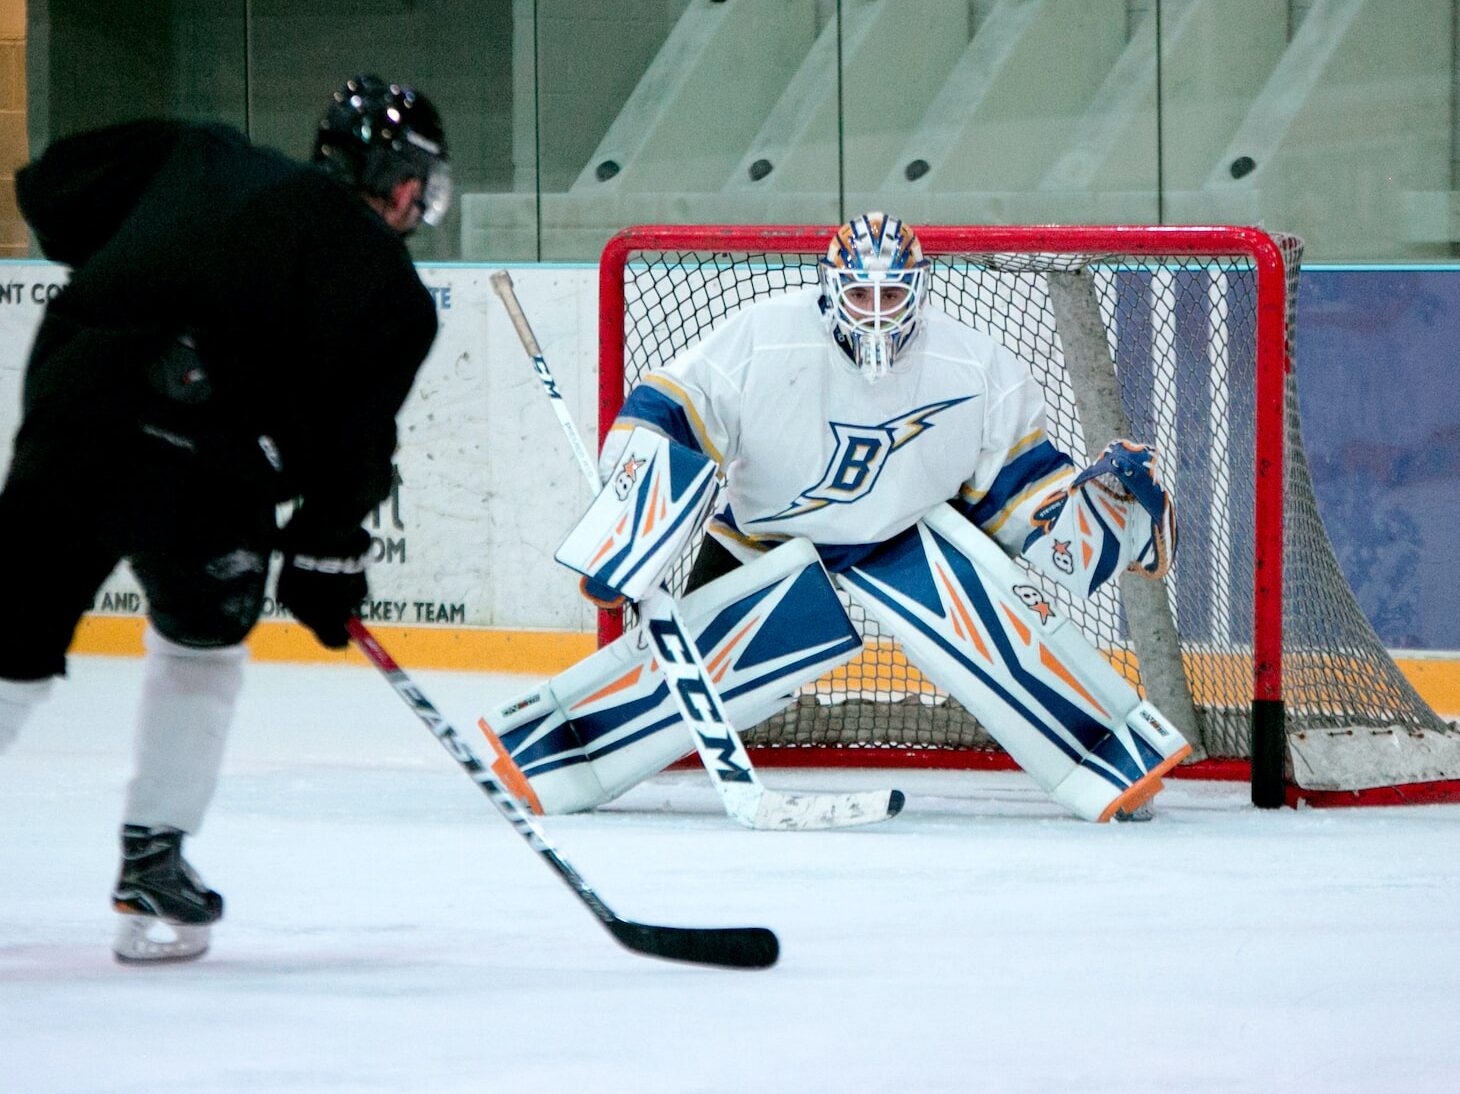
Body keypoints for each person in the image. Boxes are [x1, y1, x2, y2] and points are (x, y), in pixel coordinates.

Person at [496, 211, 1184, 825]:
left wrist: (1104, 519)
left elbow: (1017, 491)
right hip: (767, 533)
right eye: (861, 294)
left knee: (1000, 631)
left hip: (904, 537)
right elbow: (672, 409)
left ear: (919, 291)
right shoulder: (764, 338)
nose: (877, 313)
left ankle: (1104, 751)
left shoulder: (975, 364)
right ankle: (559, 747)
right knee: (691, 671)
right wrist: (629, 527)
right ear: (831, 289)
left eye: (892, 295)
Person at [0, 75, 449, 962]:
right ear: (402, 182)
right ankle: (154, 865)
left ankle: (154, 864)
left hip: (80, 411)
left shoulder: (201, 154)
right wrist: (327, 559)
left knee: (5, 640)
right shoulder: (392, 292)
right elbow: (355, 447)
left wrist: (144, 259)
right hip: (208, 470)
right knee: (201, 646)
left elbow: (49, 188)